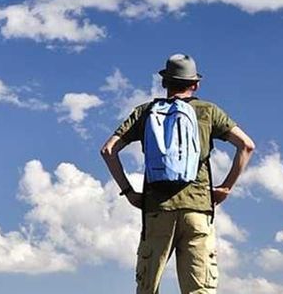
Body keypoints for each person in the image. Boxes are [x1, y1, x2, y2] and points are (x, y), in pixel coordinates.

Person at [100, 54, 255, 294]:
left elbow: (108, 150)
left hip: (157, 210)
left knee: (148, 288)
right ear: (195, 84)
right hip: (198, 210)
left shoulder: (145, 112)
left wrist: (129, 192)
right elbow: (247, 145)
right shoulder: (208, 111)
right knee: (199, 290)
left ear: (165, 83)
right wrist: (225, 188)